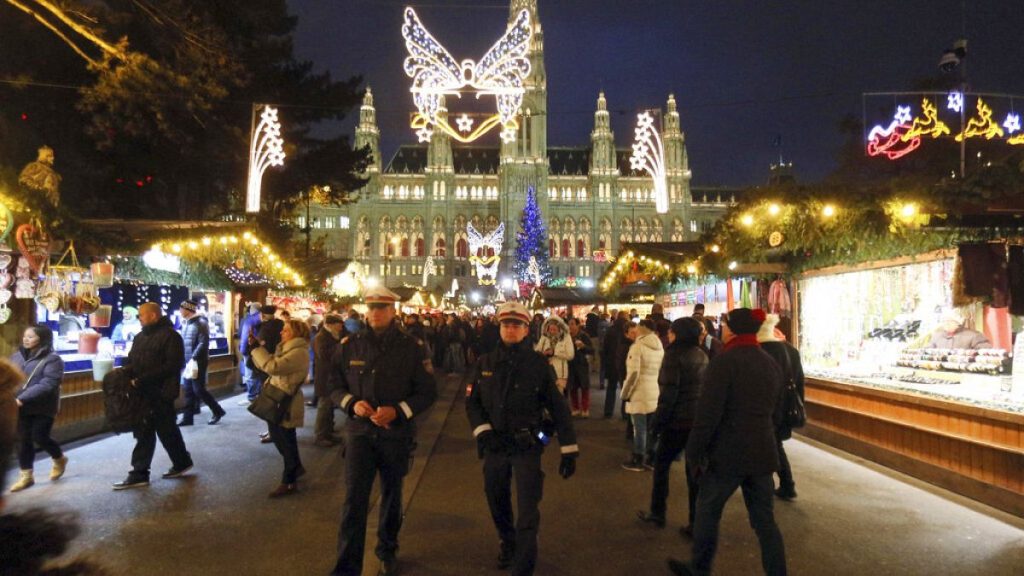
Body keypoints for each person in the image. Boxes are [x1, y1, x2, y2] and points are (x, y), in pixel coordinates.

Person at [669, 308, 787, 576]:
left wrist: (695, 450)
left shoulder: (724, 362)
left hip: (727, 453)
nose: (720, 329)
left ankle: (699, 568)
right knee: (765, 521)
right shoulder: (768, 362)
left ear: (731, 329)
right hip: (761, 451)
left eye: (724, 325)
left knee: (708, 512)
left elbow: (709, 412)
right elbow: (776, 412)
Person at [329, 286, 437, 576]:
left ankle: (387, 549)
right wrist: (351, 404)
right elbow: (332, 385)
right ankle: (346, 566)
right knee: (354, 500)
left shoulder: (411, 347)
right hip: (360, 433)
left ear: (393, 311)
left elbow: (427, 392)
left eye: (382, 308)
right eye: (372, 307)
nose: (376, 313)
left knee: (392, 496)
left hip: (395, 434)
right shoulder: (350, 345)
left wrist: (399, 410)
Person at [466, 301, 579, 576]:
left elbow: (558, 407)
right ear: (500, 327)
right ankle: (508, 540)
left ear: (527, 329)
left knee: (528, 509)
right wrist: (483, 432)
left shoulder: (539, 365)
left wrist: (569, 448)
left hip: (526, 446)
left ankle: (523, 565)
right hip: (495, 445)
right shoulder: (485, 363)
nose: (511, 329)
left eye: (517, 324)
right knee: (496, 498)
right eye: (506, 324)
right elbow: (473, 403)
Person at [637, 317, 707, 533]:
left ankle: (658, 512)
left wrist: (657, 424)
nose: (669, 335)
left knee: (661, 466)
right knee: (694, 474)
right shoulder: (701, 354)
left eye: (672, 332)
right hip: (696, 421)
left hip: (677, 421)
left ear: (679, 334)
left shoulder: (674, 355)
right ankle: (696, 522)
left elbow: (669, 392)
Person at [113, 302, 193, 490]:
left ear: (153, 316)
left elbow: (172, 365)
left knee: (158, 430)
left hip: (161, 392)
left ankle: (141, 472)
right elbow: (134, 360)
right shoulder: (140, 337)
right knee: (154, 430)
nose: (139, 317)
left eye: (142, 314)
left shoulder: (171, 336)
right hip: (141, 393)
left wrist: (142, 379)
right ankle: (178, 462)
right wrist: (125, 372)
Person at [250, 319, 310, 497]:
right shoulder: (286, 348)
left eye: (286, 330)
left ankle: (288, 480)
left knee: (284, 440)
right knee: (284, 439)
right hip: (277, 397)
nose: (281, 332)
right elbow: (266, 365)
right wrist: (256, 349)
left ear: (296, 333)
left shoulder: (298, 352)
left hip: (284, 401)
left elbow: (272, 367)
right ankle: (296, 468)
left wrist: (256, 349)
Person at [8, 325, 67, 492]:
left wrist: (22, 398)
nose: (26, 339)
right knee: (23, 439)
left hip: (43, 407)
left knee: (39, 436)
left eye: (31, 337)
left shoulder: (53, 359)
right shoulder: (16, 356)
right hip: (19, 406)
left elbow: (49, 383)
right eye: (25, 336)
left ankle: (59, 458)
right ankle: (26, 476)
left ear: (42, 339)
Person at [757, 314, 804, 501]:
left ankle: (781, 485)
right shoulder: (791, 351)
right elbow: (800, 382)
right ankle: (786, 484)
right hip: (785, 407)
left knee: (770, 445)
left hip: (767, 408)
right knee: (774, 444)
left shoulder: (760, 351)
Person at [621, 319, 664, 471]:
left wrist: (625, 393)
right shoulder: (659, 346)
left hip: (639, 392)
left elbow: (633, 374)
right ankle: (652, 459)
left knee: (639, 428)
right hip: (654, 390)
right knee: (651, 428)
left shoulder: (637, 347)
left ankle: (638, 459)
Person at [177, 300, 225, 426]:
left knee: (198, 390)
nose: (180, 311)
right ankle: (188, 418)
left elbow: (203, 343)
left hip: (197, 362)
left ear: (189, 309)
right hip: (189, 362)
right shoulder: (187, 323)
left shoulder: (201, 323)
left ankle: (217, 410)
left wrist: (193, 358)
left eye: (182, 308)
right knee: (188, 389)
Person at [313, 314, 346, 448]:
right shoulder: (321, 337)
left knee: (329, 406)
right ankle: (320, 435)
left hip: (331, 376)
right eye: (339, 324)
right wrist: (340, 346)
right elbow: (325, 355)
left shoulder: (331, 335)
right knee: (324, 407)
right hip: (324, 377)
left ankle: (328, 432)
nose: (341, 327)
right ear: (331, 324)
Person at [534, 315, 574, 395]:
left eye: (554, 329)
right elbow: (536, 352)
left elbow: (570, 355)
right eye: (550, 329)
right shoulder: (544, 338)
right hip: (545, 371)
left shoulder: (566, 338)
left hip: (560, 374)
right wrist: (543, 354)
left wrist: (554, 352)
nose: (552, 332)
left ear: (559, 329)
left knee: (558, 396)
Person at [601, 312, 629, 418]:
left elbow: (605, 348)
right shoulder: (627, 330)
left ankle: (608, 412)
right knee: (625, 389)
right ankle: (625, 412)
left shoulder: (610, 330)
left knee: (611, 388)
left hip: (611, 363)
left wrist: (605, 362)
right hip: (624, 363)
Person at [566, 317, 594, 417]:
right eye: (569, 324)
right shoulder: (566, 336)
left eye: (573, 324)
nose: (570, 326)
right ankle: (575, 408)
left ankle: (585, 409)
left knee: (584, 387)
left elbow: (591, 350)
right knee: (572, 387)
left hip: (582, 364)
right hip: (570, 364)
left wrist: (583, 347)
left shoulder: (583, 336)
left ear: (578, 325)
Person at [928, 310, 992, 349]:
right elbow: (927, 351)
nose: (946, 323)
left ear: (958, 323)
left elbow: (985, 353)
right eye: (944, 321)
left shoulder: (974, 336)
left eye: (950, 321)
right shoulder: (936, 336)